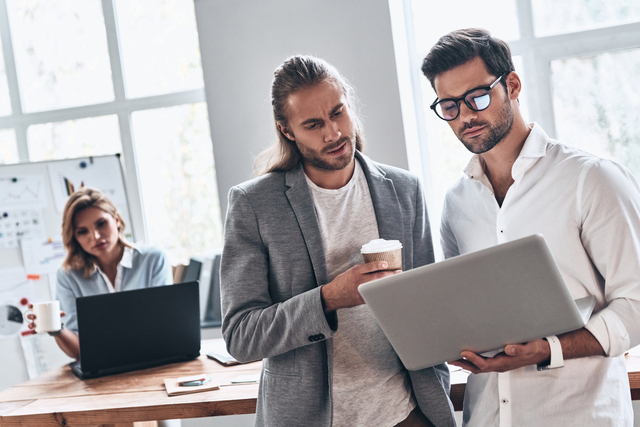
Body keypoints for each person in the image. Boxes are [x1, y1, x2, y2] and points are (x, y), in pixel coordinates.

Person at [221, 55, 455, 427]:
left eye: (338, 113)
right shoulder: (254, 205)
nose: (332, 133)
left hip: (404, 412)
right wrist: (330, 298)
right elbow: (241, 336)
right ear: (287, 131)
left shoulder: (404, 190)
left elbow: (429, 310)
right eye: (313, 124)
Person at [421, 28, 640, 426]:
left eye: (477, 97)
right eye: (450, 106)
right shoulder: (456, 202)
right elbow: (463, 312)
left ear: (513, 85)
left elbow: (637, 303)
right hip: (487, 416)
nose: (466, 116)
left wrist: (549, 349)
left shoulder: (591, 178)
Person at [27, 186, 173, 360]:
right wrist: (56, 329)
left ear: (116, 220)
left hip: (154, 359)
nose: (95, 236)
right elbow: (79, 353)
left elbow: (164, 328)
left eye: (101, 223)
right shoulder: (68, 276)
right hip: (103, 369)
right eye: (82, 231)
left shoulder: (153, 259)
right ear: (74, 237)